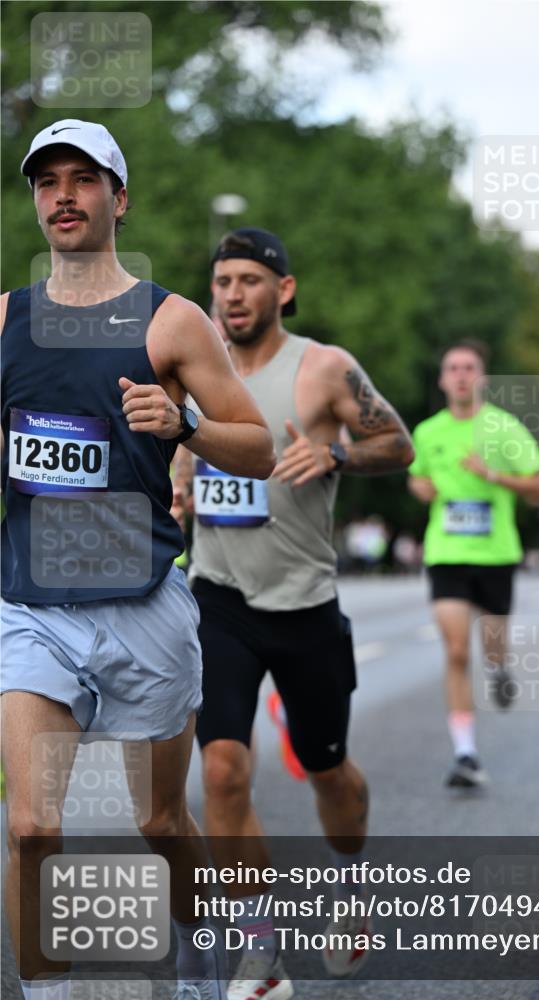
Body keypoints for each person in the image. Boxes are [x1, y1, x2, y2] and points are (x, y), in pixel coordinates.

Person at [1, 120, 275, 1000]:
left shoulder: (171, 320)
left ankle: (199, 956)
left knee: (158, 817)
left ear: (120, 199)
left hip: (143, 606)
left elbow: (260, 448)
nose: (64, 197)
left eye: (84, 180)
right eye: (49, 183)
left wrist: (184, 424)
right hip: (31, 608)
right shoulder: (5, 318)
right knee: (33, 828)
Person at [172, 227, 413, 1000]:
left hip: (305, 603)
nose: (232, 294)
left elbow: (398, 445)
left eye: (248, 280)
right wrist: (176, 491)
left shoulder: (324, 368)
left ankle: (349, 891)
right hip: (219, 598)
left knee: (327, 769)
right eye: (222, 281)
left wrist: (337, 453)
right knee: (221, 770)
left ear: (284, 289)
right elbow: (181, 457)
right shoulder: (192, 371)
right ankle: (261, 952)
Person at [407, 341, 539, 789]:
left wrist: (493, 475)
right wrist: (422, 489)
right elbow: (419, 478)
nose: (461, 375)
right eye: (453, 368)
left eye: (469, 368)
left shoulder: (504, 428)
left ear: (481, 378)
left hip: (496, 554)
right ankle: (466, 753)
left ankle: (501, 668)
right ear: (443, 379)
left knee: (491, 646)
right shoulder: (428, 431)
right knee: (456, 650)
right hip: (446, 552)